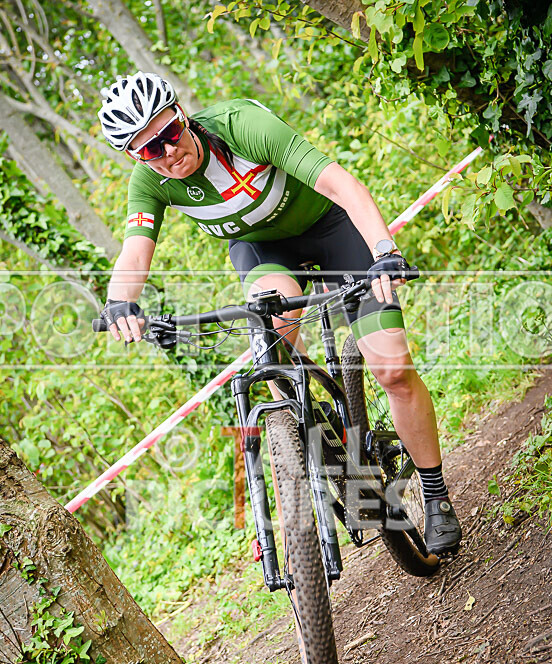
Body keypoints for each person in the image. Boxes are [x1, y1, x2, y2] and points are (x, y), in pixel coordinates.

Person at [97, 71, 462, 556]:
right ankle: (312, 480)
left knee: (393, 370)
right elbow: (135, 252)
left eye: (169, 134)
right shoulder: (149, 184)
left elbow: (340, 184)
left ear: (183, 116)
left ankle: (434, 496)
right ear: (134, 156)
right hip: (263, 252)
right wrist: (120, 301)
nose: (166, 152)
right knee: (272, 350)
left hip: (330, 229)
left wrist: (382, 250)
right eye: (149, 150)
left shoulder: (243, 126)